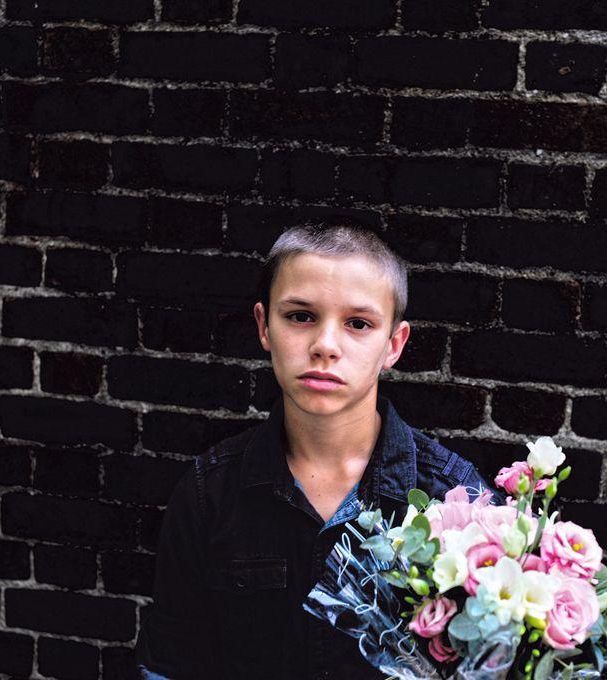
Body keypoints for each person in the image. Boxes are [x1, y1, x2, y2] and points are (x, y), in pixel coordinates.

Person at [134, 224, 502, 679]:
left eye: (358, 324)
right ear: (263, 325)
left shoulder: (454, 497)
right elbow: (171, 665)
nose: (325, 345)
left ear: (393, 344)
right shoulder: (210, 493)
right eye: (301, 316)